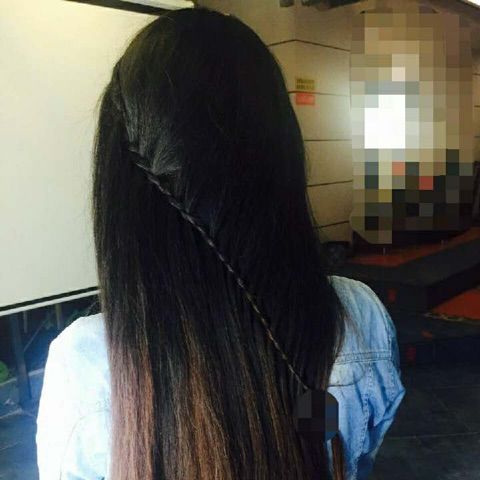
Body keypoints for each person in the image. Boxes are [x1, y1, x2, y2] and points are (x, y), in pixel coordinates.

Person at [36, 7, 405, 480]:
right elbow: (362, 453)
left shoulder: (84, 367)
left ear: (119, 188)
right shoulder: (360, 317)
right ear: (283, 153)